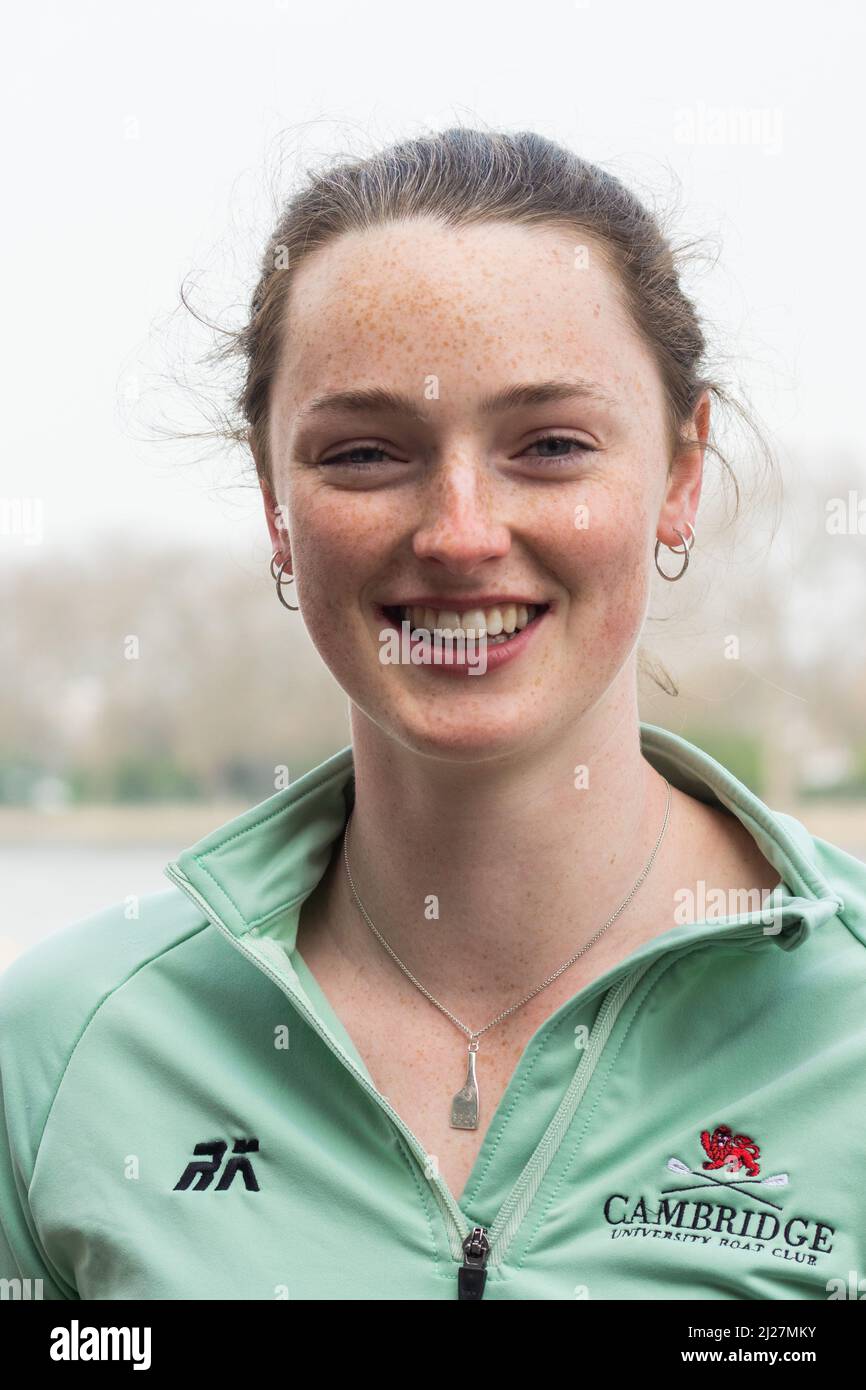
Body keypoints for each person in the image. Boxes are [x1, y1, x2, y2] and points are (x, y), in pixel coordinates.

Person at [1, 128, 865, 1303]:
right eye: (363, 454)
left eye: (550, 446)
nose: (459, 532)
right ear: (273, 502)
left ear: (678, 473)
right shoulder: (59, 1051)